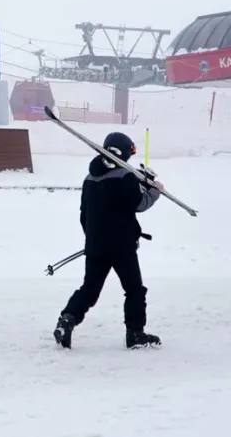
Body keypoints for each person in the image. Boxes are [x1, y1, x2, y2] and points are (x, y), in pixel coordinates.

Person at [53, 131, 163, 350]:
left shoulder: (90, 178)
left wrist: (92, 238)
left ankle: (67, 320)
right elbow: (139, 204)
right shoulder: (125, 177)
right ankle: (135, 334)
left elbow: (84, 214)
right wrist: (154, 190)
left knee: (89, 290)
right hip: (122, 247)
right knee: (134, 290)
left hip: (96, 246)